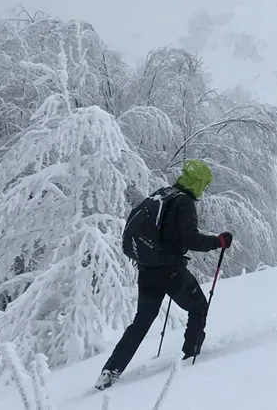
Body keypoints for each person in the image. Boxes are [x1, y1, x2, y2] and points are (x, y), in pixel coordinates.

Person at [95, 159, 233, 390]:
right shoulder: (185, 203)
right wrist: (218, 242)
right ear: (198, 183)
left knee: (141, 323)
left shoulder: (163, 194)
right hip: (170, 272)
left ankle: (110, 371)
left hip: (147, 271)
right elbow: (190, 239)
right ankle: (191, 356)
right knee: (198, 307)